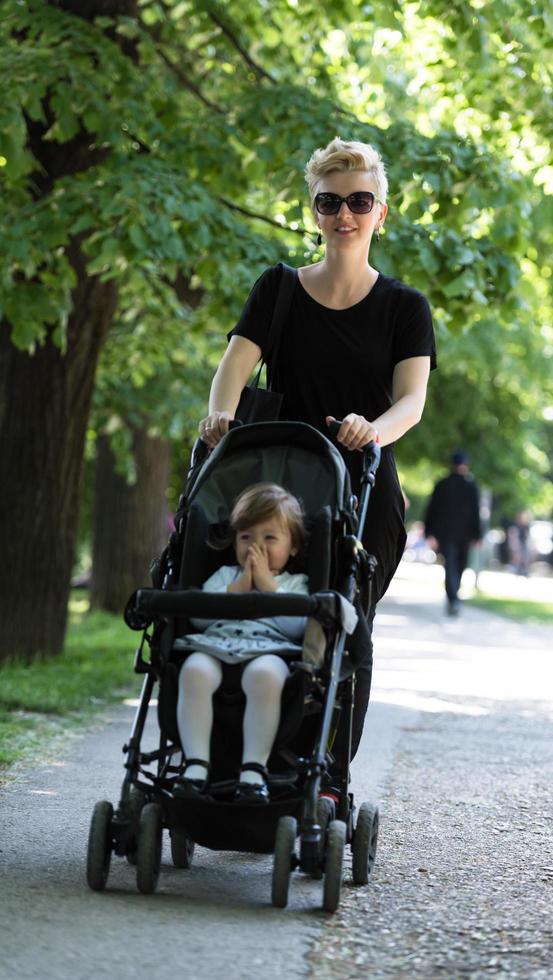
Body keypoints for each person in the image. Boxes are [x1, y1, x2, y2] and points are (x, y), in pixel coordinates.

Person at [198, 138, 436, 791]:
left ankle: (324, 775)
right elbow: (233, 371)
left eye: (360, 201)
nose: (345, 215)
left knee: (341, 620)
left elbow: (412, 400)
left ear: (381, 212)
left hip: (361, 485)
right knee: (253, 604)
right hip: (277, 481)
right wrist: (219, 418)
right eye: (331, 202)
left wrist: (373, 427)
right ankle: (230, 757)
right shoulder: (277, 289)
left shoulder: (404, 308)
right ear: (316, 209)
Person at [173, 483, 308, 803]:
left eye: (269, 538)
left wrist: (267, 586)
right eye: (246, 537)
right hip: (216, 647)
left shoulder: (294, 583)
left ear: (293, 547)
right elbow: (199, 617)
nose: (255, 547)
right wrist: (238, 588)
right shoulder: (224, 576)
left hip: (269, 651)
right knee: (193, 670)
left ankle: (253, 770)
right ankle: (195, 765)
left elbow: (298, 627)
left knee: (266, 676)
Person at [424, 450, 481, 615]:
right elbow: (433, 509)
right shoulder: (453, 485)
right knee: (454, 566)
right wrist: (477, 535)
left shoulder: (462, 485)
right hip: (455, 534)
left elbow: (431, 510)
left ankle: (453, 597)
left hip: (454, 534)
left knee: (455, 566)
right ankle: (454, 599)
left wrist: (430, 533)